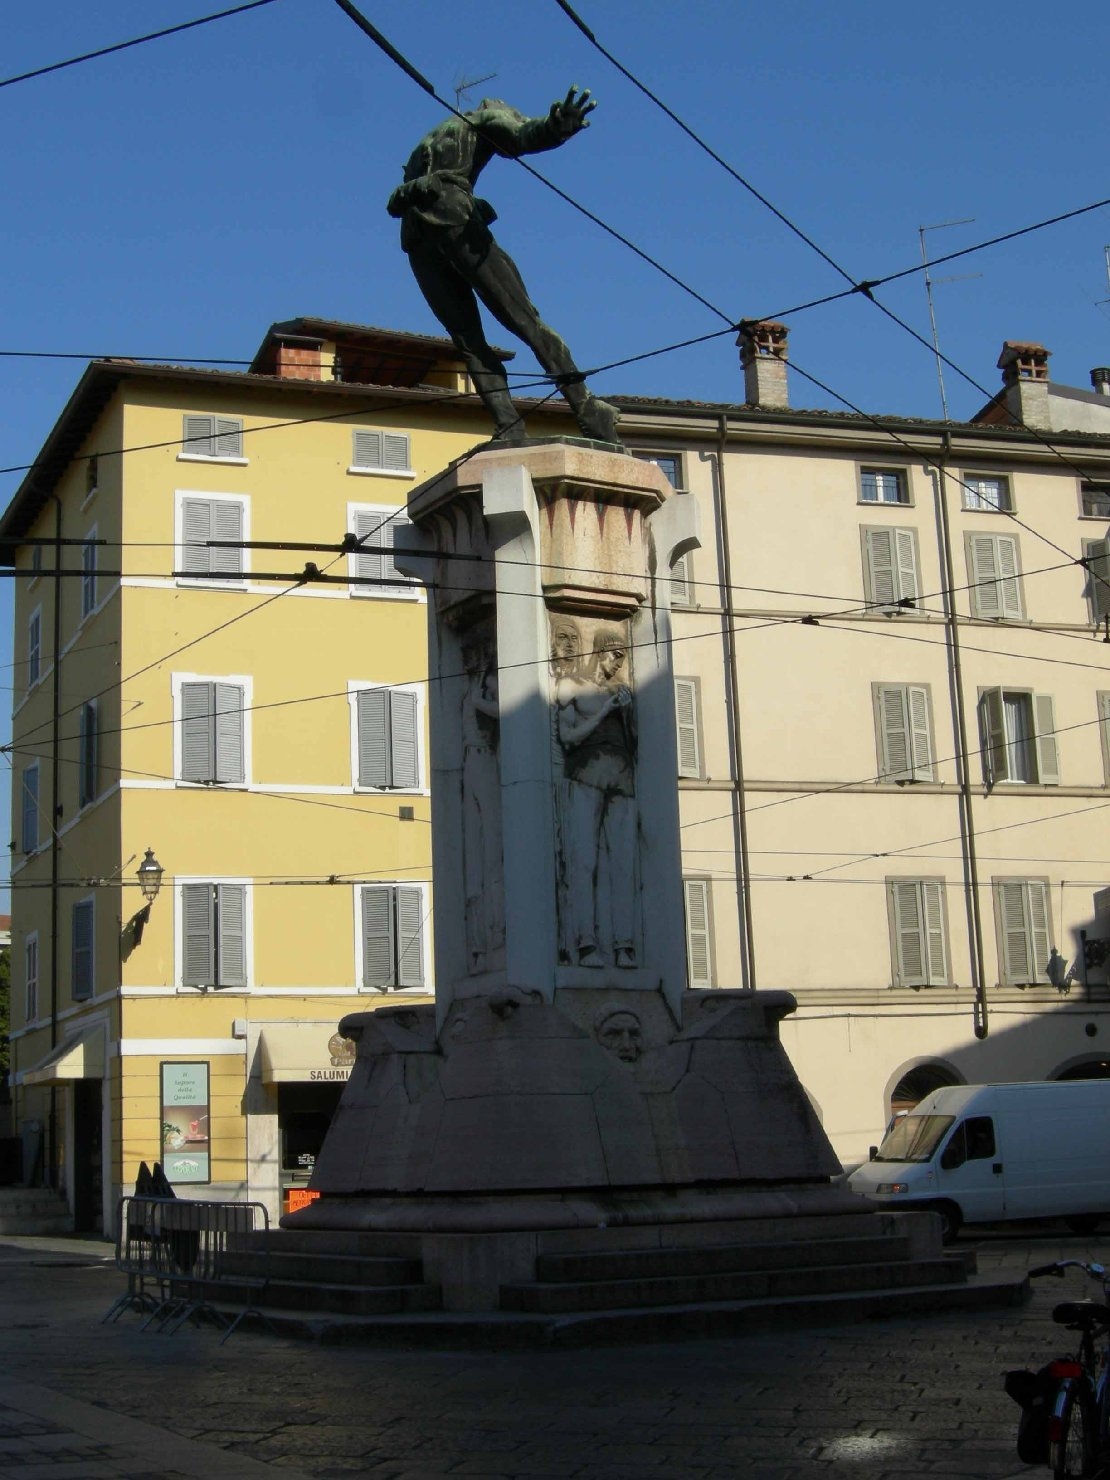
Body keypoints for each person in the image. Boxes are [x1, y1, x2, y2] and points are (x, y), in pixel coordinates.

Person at [387, 88, 621, 446]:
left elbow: (524, 136)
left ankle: (579, 409)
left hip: (427, 235)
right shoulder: (482, 117)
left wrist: (555, 129)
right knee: (512, 324)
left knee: (499, 328)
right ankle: (520, 423)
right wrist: (552, 128)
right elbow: (520, 134)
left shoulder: (440, 137)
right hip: (436, 230)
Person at [555, 632, 638, 967]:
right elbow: (568, 737)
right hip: (585, 774)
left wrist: (628, 714)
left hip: (622, 778)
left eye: (622, 657)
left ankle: (624, 944)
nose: (618, 662)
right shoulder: (571, 686)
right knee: (583, 860)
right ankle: (585, 942)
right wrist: (606, 710)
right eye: (614, 655)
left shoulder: (623, 692)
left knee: (623, 864)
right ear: (599, 651)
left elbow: (634, 743)